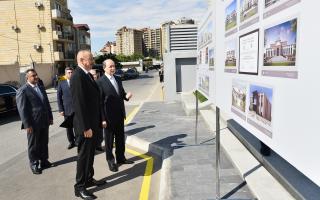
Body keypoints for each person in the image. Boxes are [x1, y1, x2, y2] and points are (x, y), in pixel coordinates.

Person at [70, 50, 106, 199]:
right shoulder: (77, 76)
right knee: (84, 157)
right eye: (90, 58)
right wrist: (86, 127)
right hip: (85, 127)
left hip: (92, 124)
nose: (92, 60)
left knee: (91, 155)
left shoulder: (87, 74)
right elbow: (79, 105)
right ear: (82, 60)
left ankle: (88, 179)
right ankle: (79, 187)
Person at [96, 59, 134, 173]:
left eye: (114, 66)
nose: (113, 68)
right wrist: (102, 119)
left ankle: (121, 158)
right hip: (108, 117)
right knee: (108, 141)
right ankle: (111, 161)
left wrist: (126, 96)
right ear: (104, 68)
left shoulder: (117, 78)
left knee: (120, 138)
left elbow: (121, 93)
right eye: (110, 66)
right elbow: (100, 103)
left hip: (119, 114)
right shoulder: (100, 82)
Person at [16, 69, 53, 175]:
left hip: (44, 120)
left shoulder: (40, 87)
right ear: (27, 78)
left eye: (36, 75)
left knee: (44, 142)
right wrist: (27, 124)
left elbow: (46, 103)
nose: (36, 77)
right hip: (33, 123)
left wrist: (50, 117)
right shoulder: (23, 90)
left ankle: (44, 161)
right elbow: (22, 110)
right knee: (33, 145)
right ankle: (34, 164)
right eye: (33, 76)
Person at [57, 67, 76, 149]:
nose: (70, 74)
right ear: (65, 74)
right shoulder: (61, 83)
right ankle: (71, 142)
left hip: (76, 109)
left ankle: (78, 141)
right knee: (69, 127)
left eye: (71, 72)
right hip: (67, 109)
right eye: (69, 72)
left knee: (77, 126)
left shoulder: (76, 82)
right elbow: (59, 97)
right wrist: (61, 109)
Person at [89, 68, 104, 152]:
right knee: (92, 130)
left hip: (100, 110)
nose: (94, 76)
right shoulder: (87, 84)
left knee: (100, 129)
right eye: (92, 74)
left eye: (95, 74)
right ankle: (92, 145)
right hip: (91, 112)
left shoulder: (100, 83)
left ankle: (99, 144)